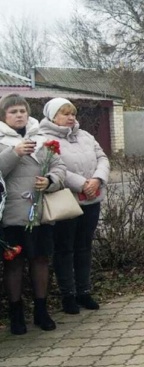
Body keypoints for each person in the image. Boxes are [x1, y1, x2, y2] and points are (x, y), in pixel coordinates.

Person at [0, 93, 67, 334]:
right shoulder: (2, 140)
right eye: (13, 112)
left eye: (22, 111)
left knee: (40, 260)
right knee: (14, 264)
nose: (19, 115)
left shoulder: (41, 138)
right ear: (4, 116)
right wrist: (14, 152)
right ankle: (16, 315)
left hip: (39, 213)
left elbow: (60, 167)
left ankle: (42, 310)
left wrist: (50, 181)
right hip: (11, 214)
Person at [38, 98, 110, 314]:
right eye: (65, 113)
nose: (71, 118)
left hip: (91, 199)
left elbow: (102, 158)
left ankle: (84, 292)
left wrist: (97, 180)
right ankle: (68, 295)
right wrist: (81, 184)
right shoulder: (44, 139)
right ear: (52, 117)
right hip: (66, 201)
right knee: (64, 249)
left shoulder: (85, 136)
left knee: (84, 247)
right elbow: (51, 167)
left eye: (73, 114)